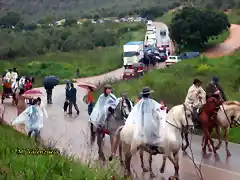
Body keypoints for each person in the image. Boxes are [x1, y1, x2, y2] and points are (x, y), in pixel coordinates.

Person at [126, 87, 167, 152]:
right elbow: (159, 107)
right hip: (149, 119)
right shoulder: (151, 101)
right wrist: (162, 107)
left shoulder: (141, 102)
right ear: (149, 94)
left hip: (142, 119)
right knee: (157, 126)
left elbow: (135, 110)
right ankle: (154, 144)